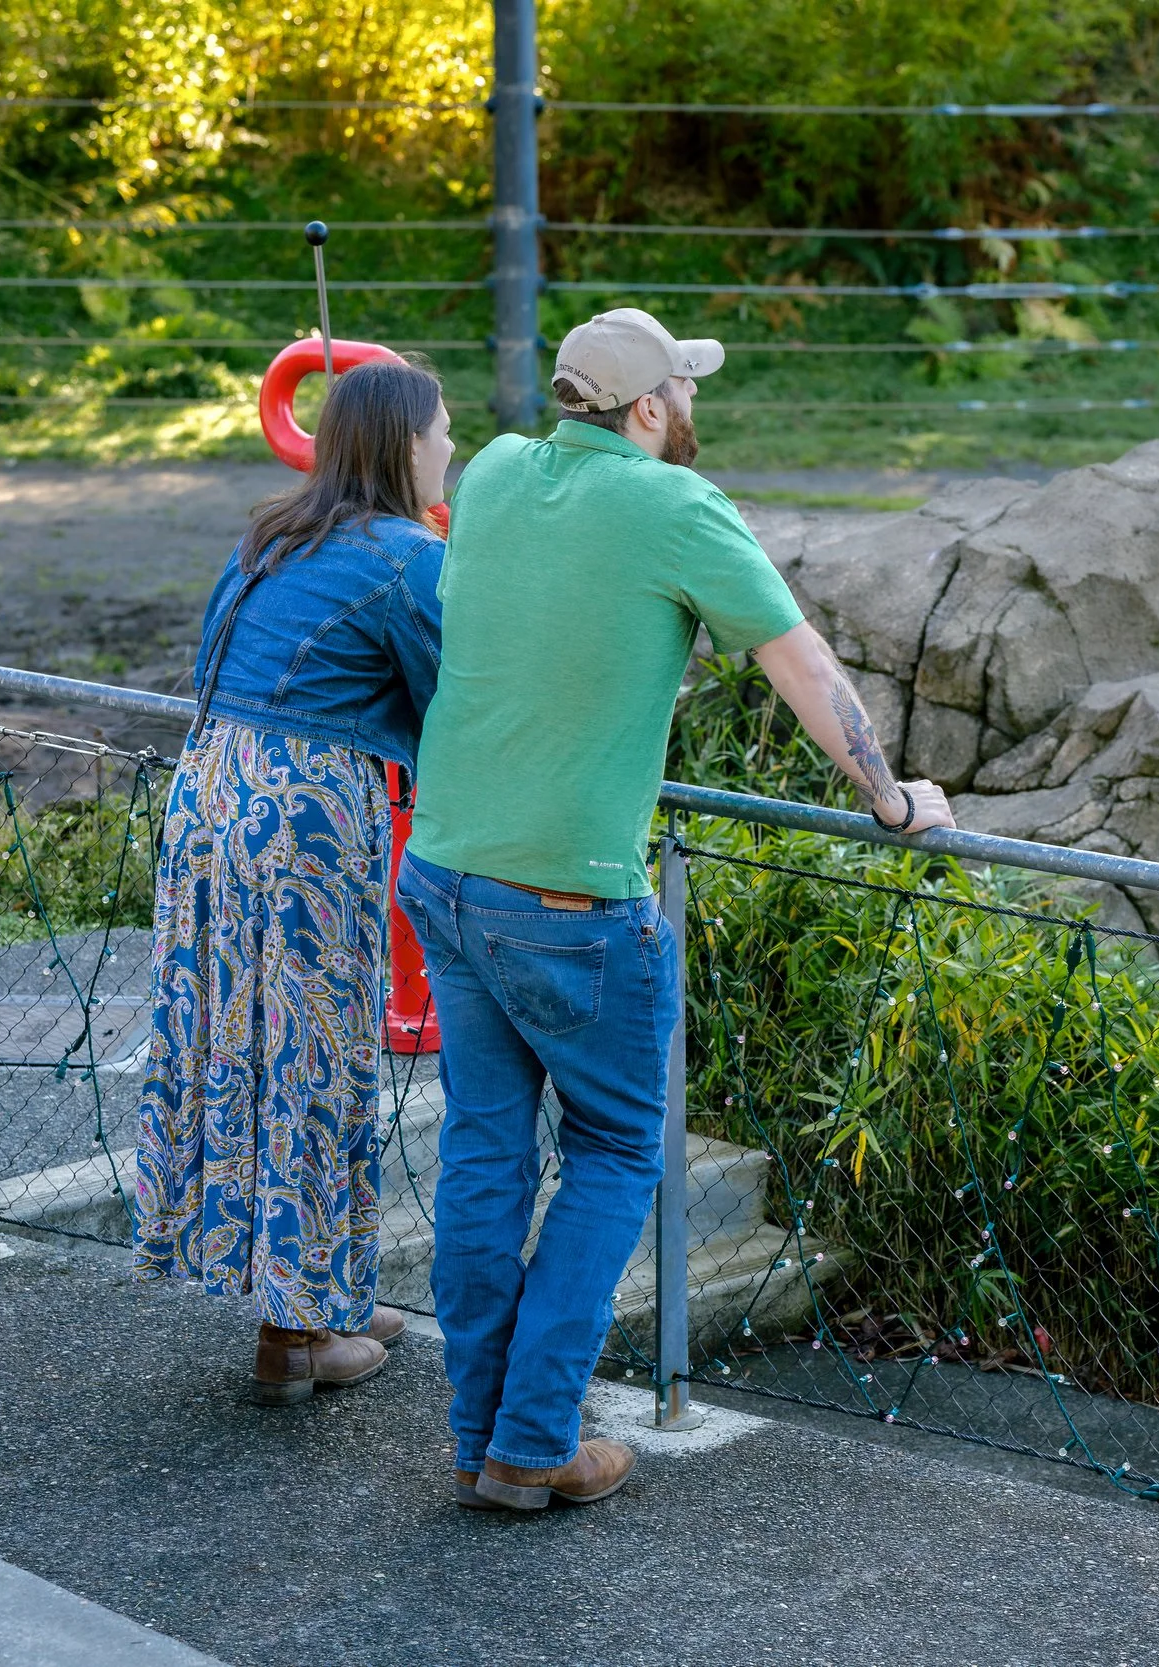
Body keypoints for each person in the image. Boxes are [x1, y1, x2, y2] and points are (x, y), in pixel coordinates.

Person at [395, 307, 955, 1511]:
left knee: (486, 1151)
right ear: (649, 407)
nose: (694, 406)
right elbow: (802, 664)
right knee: (611, 1151)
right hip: (569, 895)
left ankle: (480, 1437)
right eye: (685, 389)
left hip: (444, 867)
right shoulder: (679, 506)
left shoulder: (491, 472)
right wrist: (892, 797)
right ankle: (533, 1438)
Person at [132, 356, 454, 1405]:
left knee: (235, 1039)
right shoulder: (408, 556)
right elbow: (456, 702)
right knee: (313, 1052)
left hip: (210, 793)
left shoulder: (269, 534)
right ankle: (296, 1333)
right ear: (405, 446)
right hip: (304, 813)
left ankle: (318, 1293)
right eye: (442, 431)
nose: (451, 447)